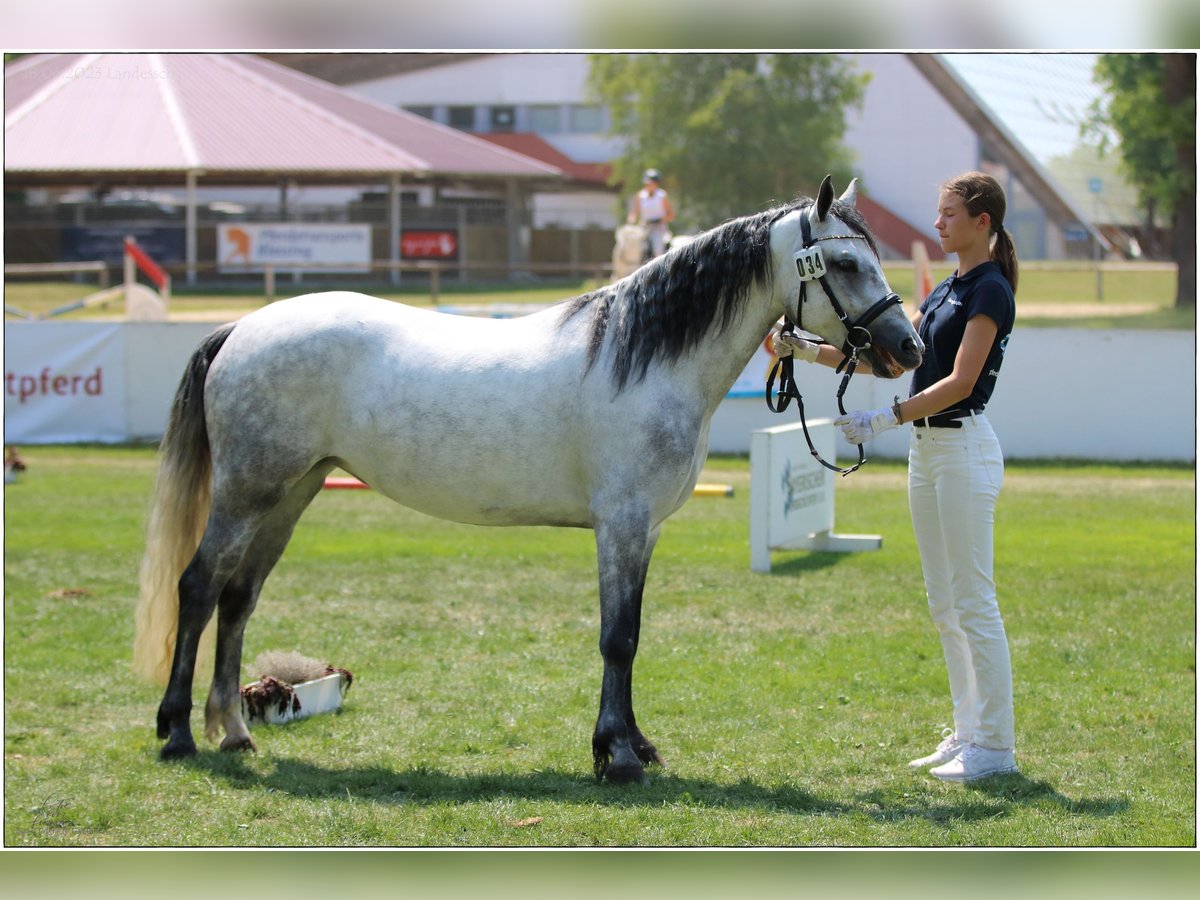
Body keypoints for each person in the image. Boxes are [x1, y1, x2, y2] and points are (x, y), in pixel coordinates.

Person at [775, 171, 1019, 783]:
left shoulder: (989, 290)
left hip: (964, 450)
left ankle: (996, 746)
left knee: (974, 602)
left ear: (981, 222)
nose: (937, 223)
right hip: (928, 453)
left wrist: (886, 419)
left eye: (948, 214)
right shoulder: (942, 291)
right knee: (944, 604)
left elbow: (962, 382)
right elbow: (888, 360)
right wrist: (804, 349)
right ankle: (967, 733)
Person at [627, 169, 676, 259]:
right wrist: (631, 223)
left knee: (657, 251)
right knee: (632, 247)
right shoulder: (640, 195)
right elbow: (634, 213)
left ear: (656, 183)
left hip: (658, 228)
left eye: (651, 183)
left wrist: (659, 220)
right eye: (647, 183)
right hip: (644, 227)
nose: (648, 185)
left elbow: (671, 215)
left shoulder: (662, 195)